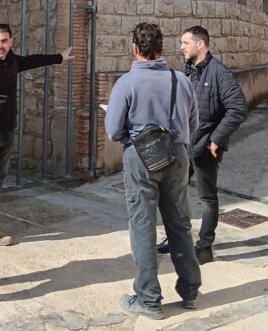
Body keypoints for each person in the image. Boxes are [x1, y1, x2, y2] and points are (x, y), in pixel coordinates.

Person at [105, 22, 201, 320]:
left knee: (143, 226)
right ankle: (190, 291)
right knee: (180, 224)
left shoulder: (126, 84)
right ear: (162, 49)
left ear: (134, 48)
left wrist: (132, 141)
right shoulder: (181, 80)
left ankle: (149, 299)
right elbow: (194, 124)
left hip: (141, 158)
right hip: (178, 155)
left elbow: (113, 131)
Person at [0, 23, 75, 256]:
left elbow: (31, 61)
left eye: (5, 41)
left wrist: (59, 57)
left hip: (6, 131)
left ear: (11, 41)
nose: (0, 45)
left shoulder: (11, 62)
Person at [157, 26, 248, 264]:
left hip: (205, 147)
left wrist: (216, 138)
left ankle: (205, 247)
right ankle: (175, 238)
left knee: (207, 199)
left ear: (201, 44)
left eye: (185, 42)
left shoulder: (219, 73)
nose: (181, 47)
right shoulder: (182, 71)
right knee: (173, 194)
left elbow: (237, 109)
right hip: (181, 145)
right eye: (181, 43)